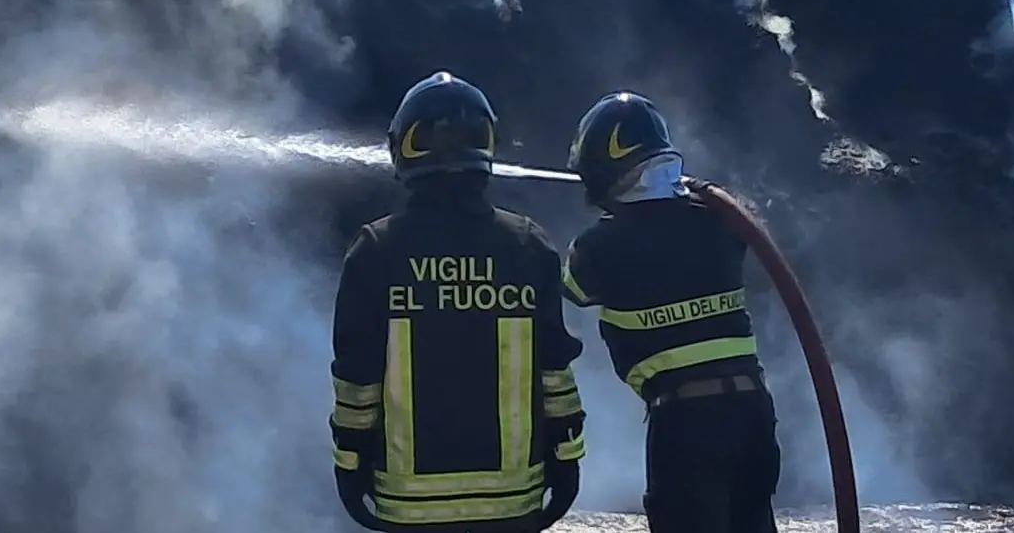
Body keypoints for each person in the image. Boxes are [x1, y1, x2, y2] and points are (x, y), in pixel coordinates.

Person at [330, 71, 586, 532]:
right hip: (513, 505)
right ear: (486, 144)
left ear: (403, 147)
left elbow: (356, 379)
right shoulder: (528, 246)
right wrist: (567, 458)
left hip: (408, 507)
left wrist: (349, 463)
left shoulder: (376, 252)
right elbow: (555, 371)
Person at [560, 91, 781, 533]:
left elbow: (572, 289)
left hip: (686, 422)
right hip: (752, 412)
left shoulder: (601, 247)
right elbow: (734, 225)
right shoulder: (719, 221)